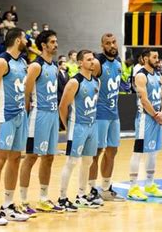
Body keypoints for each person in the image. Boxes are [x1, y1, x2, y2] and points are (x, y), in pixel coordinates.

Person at [0, 28, 29, 225]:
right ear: (18, 40)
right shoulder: (1, 62)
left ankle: (9, 205)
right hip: (5, 117)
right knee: (0, 159)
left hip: (20, 116)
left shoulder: (23, 62)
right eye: (25, 38)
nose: (27, 41)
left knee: (16, 159)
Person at [19, 30, 64, 215]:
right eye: (52, 42)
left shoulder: (53, 66)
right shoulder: (35, 66)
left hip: (52, 115)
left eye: (56, 41)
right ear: (43, 45)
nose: (56, 44)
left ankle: (43, 199)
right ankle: (22, 200)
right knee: (31, 157)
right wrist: (26, 116)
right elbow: (26, 93)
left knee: (49, 157)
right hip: (39, 115)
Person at [57, 50, 101, 211]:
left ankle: (81, 195)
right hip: (78, 126)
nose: (93, 62)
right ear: (80, 63)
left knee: (88, 161)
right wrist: (68, 127)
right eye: (89, 59)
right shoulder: (75, 82)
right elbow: (62, 106)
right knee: (72, 161)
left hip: (92, 125)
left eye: (93, 59)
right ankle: (62, 198)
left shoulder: (96, 81)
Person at [88, 34, 125, 203]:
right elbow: (88, 84)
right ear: (102, 45)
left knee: (112, 151)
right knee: (96, 152)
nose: (111, 45)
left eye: (113, 42)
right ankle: (90, 190)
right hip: (99, 114)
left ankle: (105, 188)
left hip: (113, 114)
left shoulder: (118, 64)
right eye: (107, 43)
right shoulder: (97, 63)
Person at [127, 48, 162, 201]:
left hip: (156, 117)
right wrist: (156, 116)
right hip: (145, 118)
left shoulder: (157, 74)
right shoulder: (140, 76)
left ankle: (150, 184)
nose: (157, 59)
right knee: (138, 152)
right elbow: (144, 100)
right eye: (154, 57)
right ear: (145, 59)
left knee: (153, 151)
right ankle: (133, 187)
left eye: (158, 57)